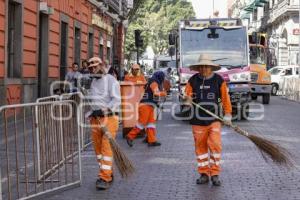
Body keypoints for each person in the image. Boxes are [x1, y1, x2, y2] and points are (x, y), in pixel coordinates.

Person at [184, 54, 232, 186]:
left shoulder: (219, 80)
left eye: (206, 66)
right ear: (198, 68)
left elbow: (225, 98)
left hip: (214, 119)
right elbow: (187, 94)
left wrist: (227, 114)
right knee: (200, 148)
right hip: (197, 120)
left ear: (211, 67)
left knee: (215, 145)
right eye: (202, 66)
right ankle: (204, 174)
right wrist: (187, 100)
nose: (204, 69)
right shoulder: (193, 80)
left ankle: (215, 174)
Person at [87, 56, 121, 190]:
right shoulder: (94, 82)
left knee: (106, 148)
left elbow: (116, 100)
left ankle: (104, 177)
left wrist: (103, 110)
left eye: (95, 67)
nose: (93, 69)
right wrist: (91, 112)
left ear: (101, 66)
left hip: (109, 119)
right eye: (90, 68)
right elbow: (95, 100)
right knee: (98, 150)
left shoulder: (111, 80)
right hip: (96, 120)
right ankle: (108, 172)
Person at [125, 71, 167, 147]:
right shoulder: (154, 82)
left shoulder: (152, 81)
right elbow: (156, 93)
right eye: (163, 78)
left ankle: (151, 141)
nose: (163, 80)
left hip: (149, 105)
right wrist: (164, 93)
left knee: (151, 124)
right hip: (146, 106)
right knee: (142, 123)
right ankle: (130, 136)